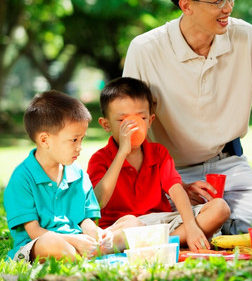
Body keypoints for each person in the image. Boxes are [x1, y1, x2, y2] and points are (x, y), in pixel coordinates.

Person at [122, 0, 252, 234]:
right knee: (163, 225)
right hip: (171, 172)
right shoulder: (145, 49)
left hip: (229, 165)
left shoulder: (243, 37)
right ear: (186, 6)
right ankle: (199, 229)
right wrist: (169, 182)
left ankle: (206, 229)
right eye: (217, 1)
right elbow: (128, 127)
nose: (228, 8)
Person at [87, 77, 230, 251]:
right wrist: (122, 152)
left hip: (161, 221)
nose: (133, 126)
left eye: (141, 118)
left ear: (150, 120)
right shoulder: (100, 159)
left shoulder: (158, 153)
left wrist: (191, 226)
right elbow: (98, 202)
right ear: (106, 124)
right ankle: (163, 243)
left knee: (220, 208)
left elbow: (176, 191)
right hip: (124, 225)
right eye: (123, 120)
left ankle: (158, 243)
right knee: (132, 225)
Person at [3, 91, 116, 262]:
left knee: (130, 222)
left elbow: (85, 220)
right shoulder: (22, 178)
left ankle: (95, 253)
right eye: (74, 140)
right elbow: (34, 232)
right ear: (45, 140)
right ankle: (90, 261)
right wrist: (73, 240)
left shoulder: (77, 175)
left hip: (78, 241)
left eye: (82, 139)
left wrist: (98, 234)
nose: (79, 147)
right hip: (37, 246)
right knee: (51, 243)